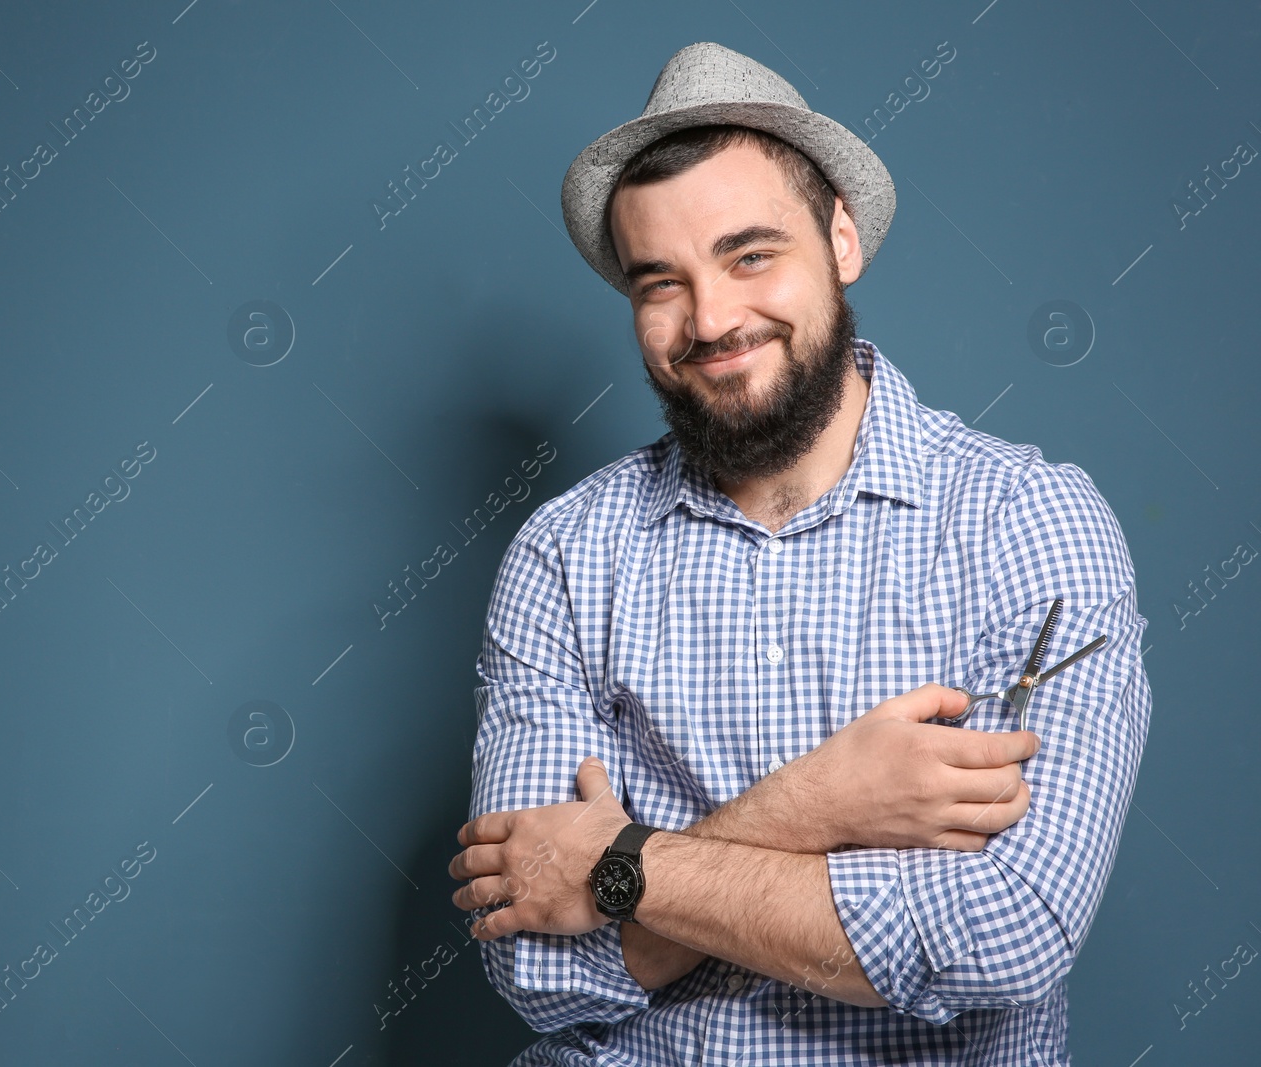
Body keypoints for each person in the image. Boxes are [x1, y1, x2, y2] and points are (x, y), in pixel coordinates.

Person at [447, 41, 1151, 1065]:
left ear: (841, 236)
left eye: (750, 254)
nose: (713, 319)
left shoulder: (1028, 523)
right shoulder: (562, 556)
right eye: (661, 283)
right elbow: (537, 972)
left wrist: (618, 868)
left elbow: (1008, 930)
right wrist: (819, 800)